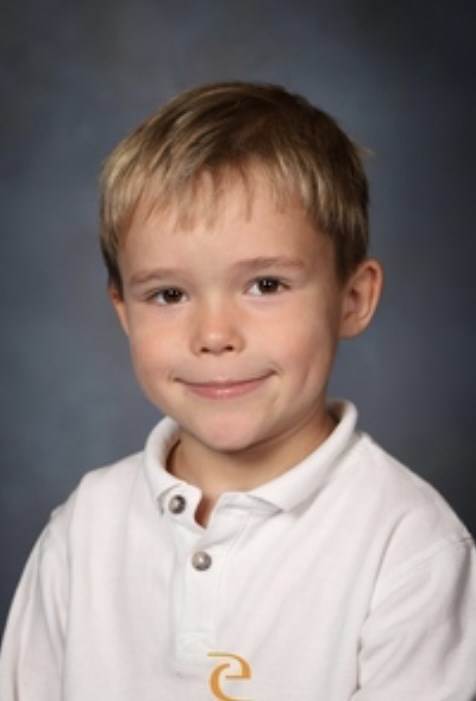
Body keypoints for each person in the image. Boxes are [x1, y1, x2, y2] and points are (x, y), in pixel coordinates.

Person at [1, 81, 475, 701]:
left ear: (352, 299)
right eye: (169, 294)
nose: (214, 335)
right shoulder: (83, 529)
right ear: (124, 313)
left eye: (266, 285)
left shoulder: (408, 546)